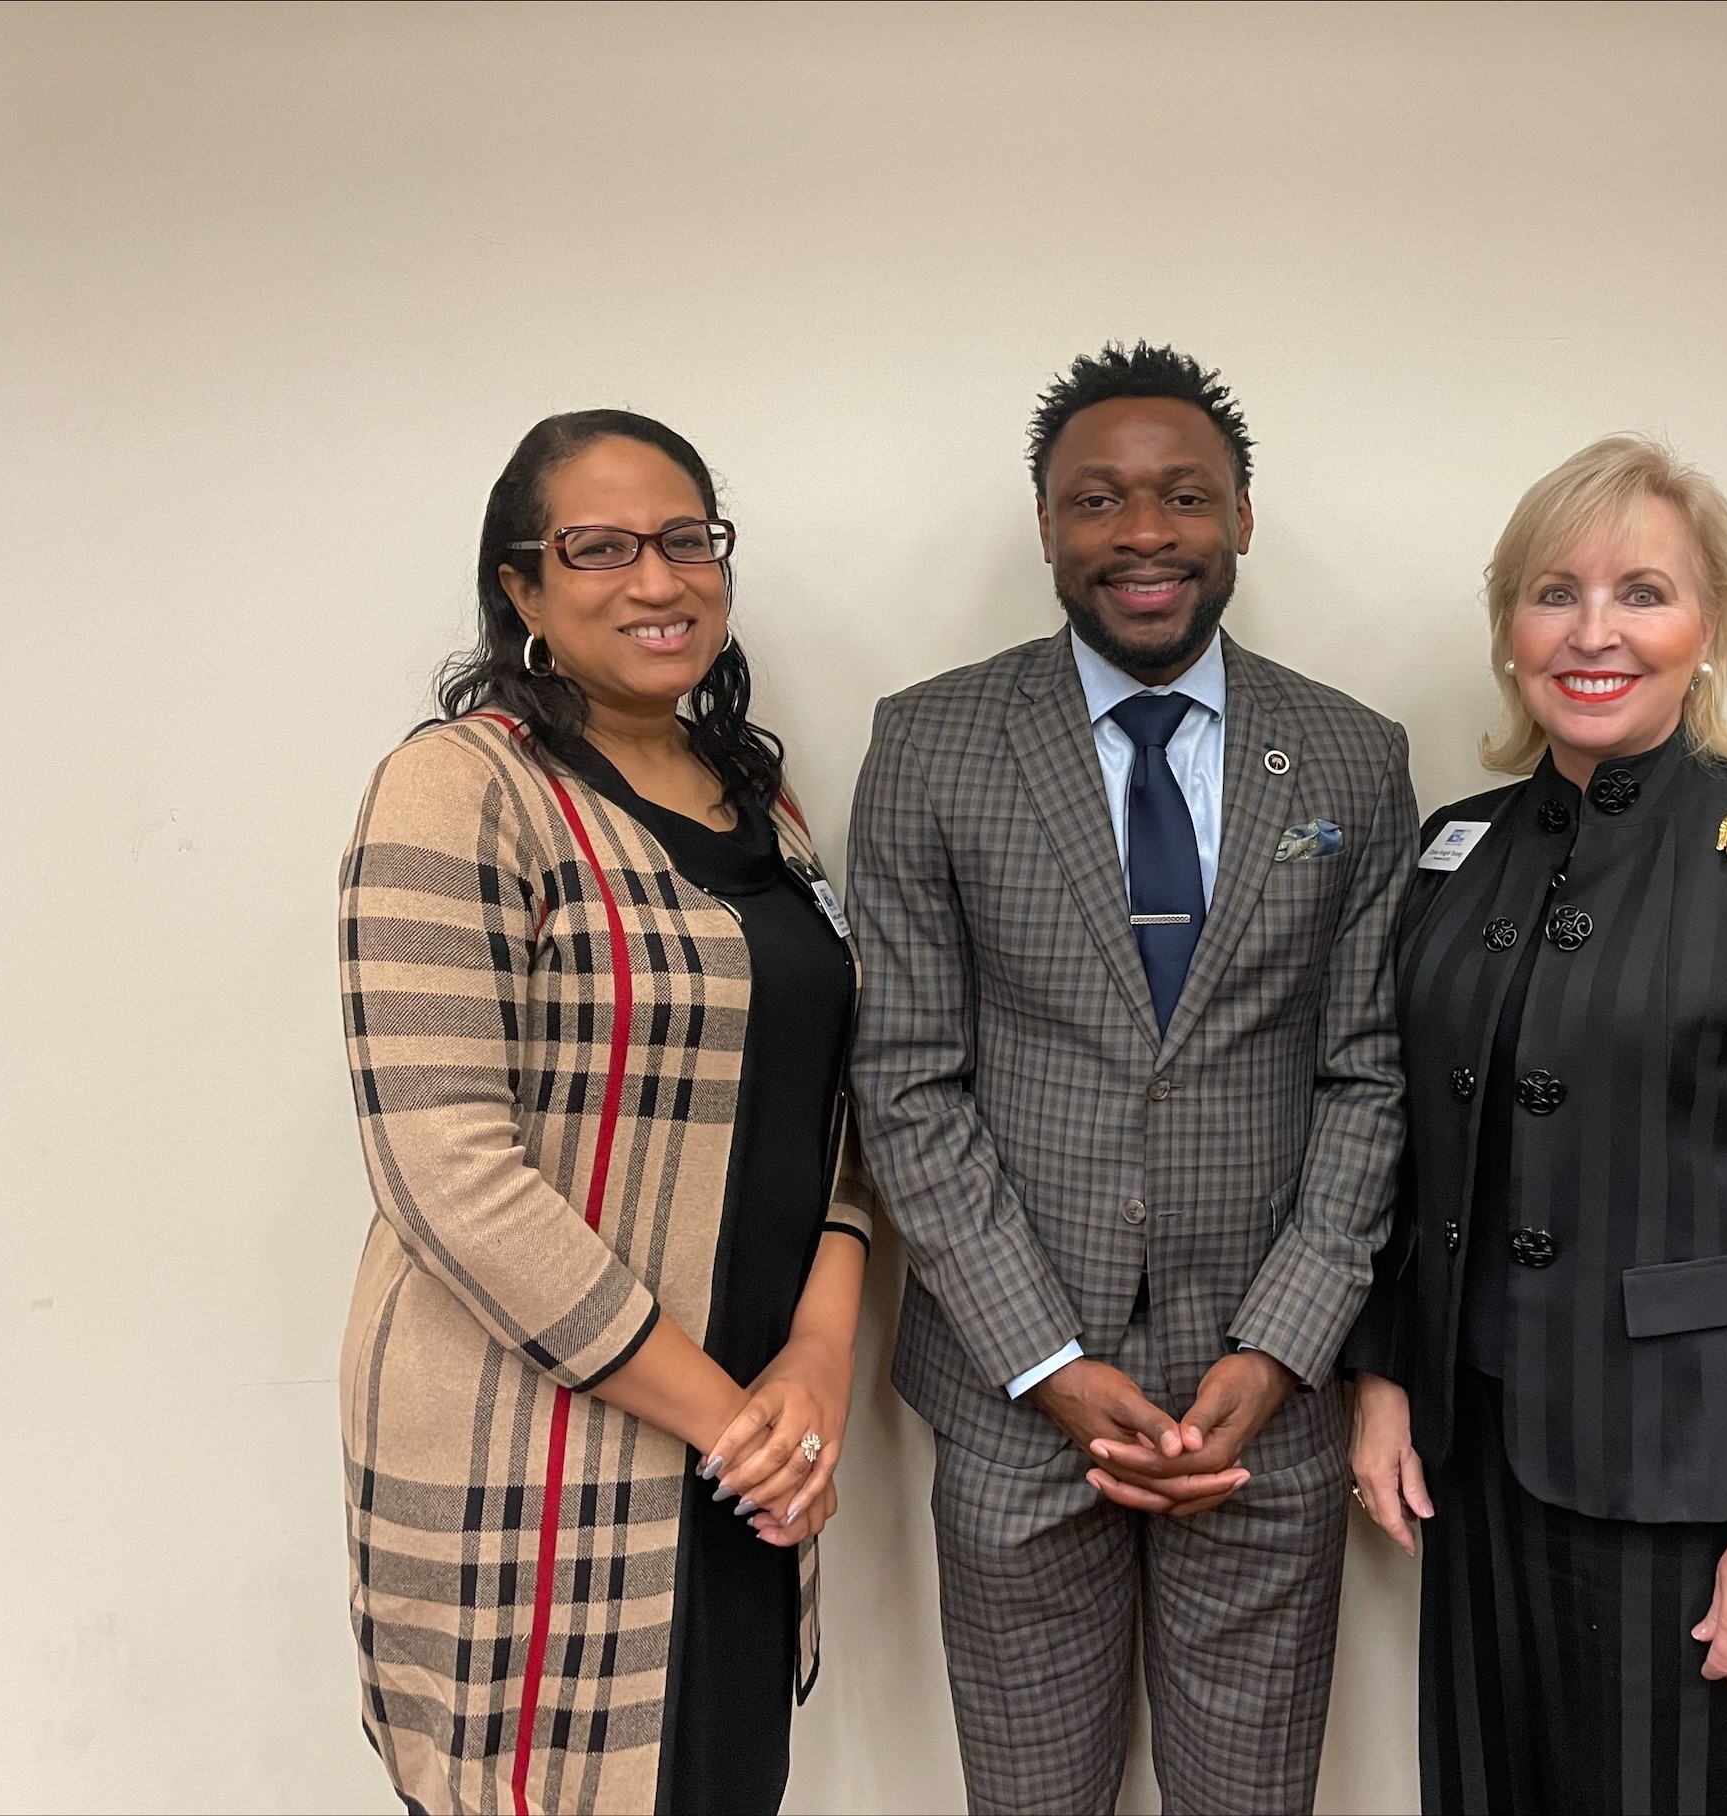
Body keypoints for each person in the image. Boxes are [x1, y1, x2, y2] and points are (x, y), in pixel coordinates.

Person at [846, 344, 1413, 1816]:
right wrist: (1045, 1363)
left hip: (1262, 1406)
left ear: (1240, 519)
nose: (1143, 533)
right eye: (1097, 499)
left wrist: (1280, 1348)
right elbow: (908, 1079)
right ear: (1046, 525)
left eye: (1183, 497)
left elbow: (1369, 1078)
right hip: (1015, 1394)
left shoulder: (1351, 757)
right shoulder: (930, 743)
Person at [1343, 435, 1727, 1815]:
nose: (1594, 631)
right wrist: (1382, 1375)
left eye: (1643, 592)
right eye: (1554, 592)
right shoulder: (1456, 850)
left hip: (1697, 1486)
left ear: (1709, 626)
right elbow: (1415, 1140)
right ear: (1508, 630)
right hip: (1477, 1465)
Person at [336, 410, 875, 1816]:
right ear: (521, 589)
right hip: (542, 1453)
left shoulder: (771, 806)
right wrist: (721, 1416)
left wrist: (816, 1363)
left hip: (755, 1458)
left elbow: (829, 1121)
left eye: (688, 540)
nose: (659, 580)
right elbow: (445, 1166)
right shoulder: (459, 789)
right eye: (601, 548)